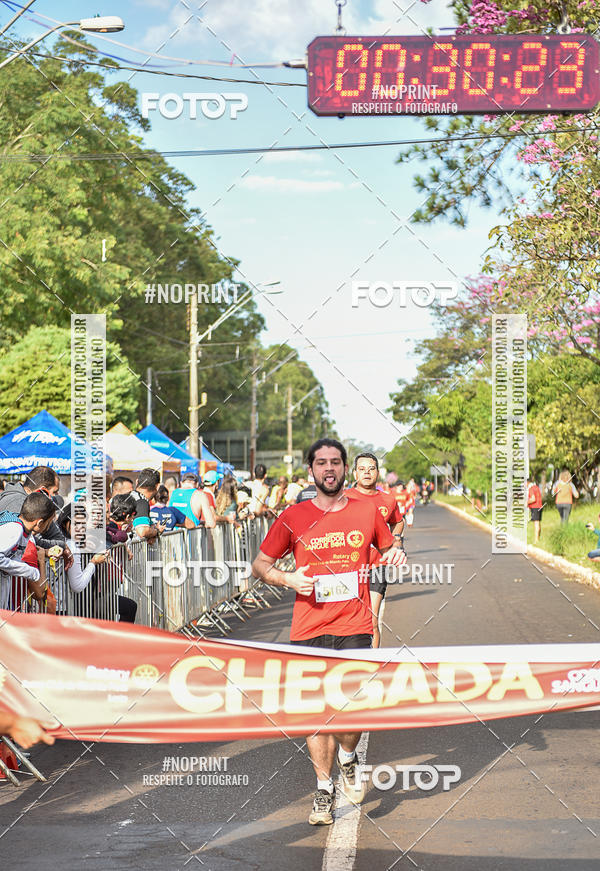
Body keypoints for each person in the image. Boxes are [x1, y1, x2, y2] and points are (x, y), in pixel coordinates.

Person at [251, 438, 405, 827]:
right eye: (322, 463)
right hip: (308, 626)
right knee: (316, 711)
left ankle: (349, 758)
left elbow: (387, 549)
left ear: (345, 468)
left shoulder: (367, 510)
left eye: (336, 462)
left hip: (354, 624)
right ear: (311, 471)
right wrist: (288, 579)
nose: (329, 469)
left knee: (350, 707)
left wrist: (396, 554)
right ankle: (323, 789)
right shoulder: (293, 516)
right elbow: (261, 565)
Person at [345, 452, 405, 648]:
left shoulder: (388, 500)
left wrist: (396, 541)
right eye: (361, 469)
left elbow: (398, 521)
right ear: (354, 474)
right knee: (347, 622)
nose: (367, 473)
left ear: (378, 472)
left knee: (371, 621)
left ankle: (373, 666)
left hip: (376, 567)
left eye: (371, 469)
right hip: (347, 567)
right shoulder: (343, 499)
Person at [0, 466, 73, 569]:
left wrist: (60, 545)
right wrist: (55, 547)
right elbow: (30, 542)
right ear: (43, 491)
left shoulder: (40, 505)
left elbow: (57, 537)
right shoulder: (16, 503)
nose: (57, 496)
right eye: (55, 492)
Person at [0, 492, 57, 611]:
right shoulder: (15, 528)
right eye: (49, 523)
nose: (48, 527)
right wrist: (29, 571)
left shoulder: (24, 532)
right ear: (40, 522)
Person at [128, 469, 165, 541]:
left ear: (137, 482)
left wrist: (150, 535)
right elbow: (142, 531)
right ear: (157, 486)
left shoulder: (129, 495)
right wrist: (157, 531)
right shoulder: (142, 502)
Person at [527, 478, 543, 543]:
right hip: (539, 506)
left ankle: (536, 540)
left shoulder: (531, 488)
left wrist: (527, 502)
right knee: (538, 523)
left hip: (535, 507)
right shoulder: (536, 487)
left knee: (536, 523)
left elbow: (533, 499)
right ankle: (538, 538)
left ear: (527, 482)